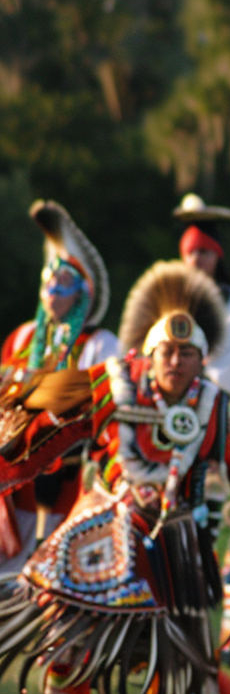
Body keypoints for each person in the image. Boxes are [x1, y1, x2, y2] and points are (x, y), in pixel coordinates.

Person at [0, 261, 230, 694]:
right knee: (68, 617)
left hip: (176, 538)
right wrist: (12, 463)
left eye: (187, 354)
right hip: (105, 521)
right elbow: (50, 430)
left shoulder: (216, 407)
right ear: (149, 355)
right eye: (168, 352)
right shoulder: (112, 385)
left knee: (174, 645)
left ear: (202, 360)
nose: (176, 362)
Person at [0, 201, 118, 573]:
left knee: (55, 576)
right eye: (48, 280)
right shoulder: (22, 337)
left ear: (84, 292)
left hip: (72, 480)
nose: (53, 290)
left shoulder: (100, 344)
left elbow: (108, 408)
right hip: (14, 480)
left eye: (64, 282)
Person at [174, 193, 230, 398]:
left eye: (204, 252)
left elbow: (229, 376)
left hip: (225, 407)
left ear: (217, 256)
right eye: (191, 253)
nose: (196, 260)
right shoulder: (170, 303)